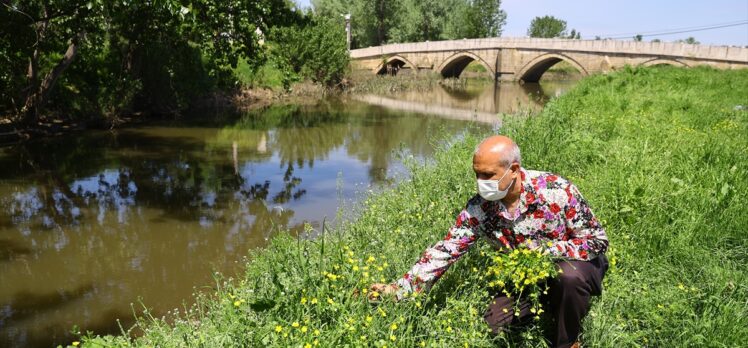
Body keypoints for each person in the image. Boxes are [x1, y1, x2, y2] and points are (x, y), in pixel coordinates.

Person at [369, 135, 609, 348]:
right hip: (524, 274)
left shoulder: (556, 190)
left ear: (513, 169)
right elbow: (447, 249)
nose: (480, 182)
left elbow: (597, 240)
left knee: (567, 278)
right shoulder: (481, 208)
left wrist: (547, 250)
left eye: (488, 175)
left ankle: (567, 340)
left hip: (572, 264)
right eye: (477, 174)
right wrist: (401, 289)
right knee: (494, 327)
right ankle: (550, 302)